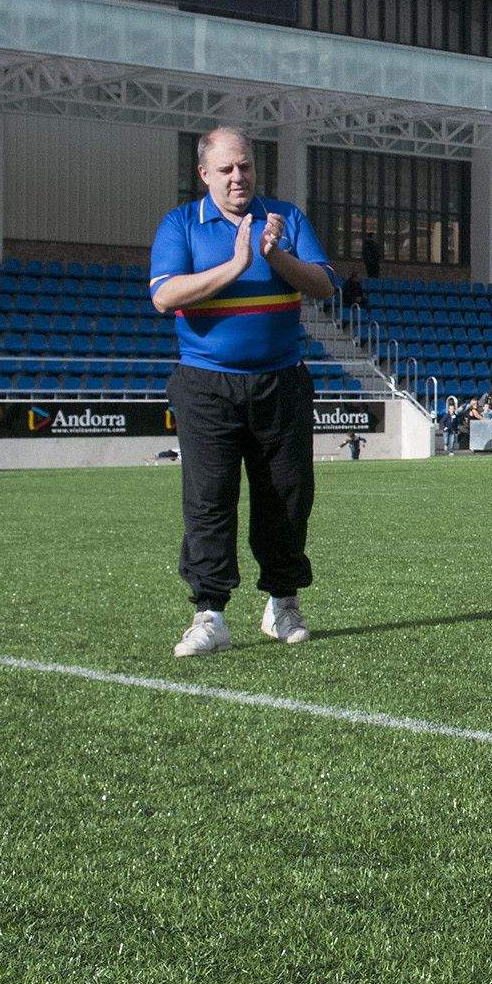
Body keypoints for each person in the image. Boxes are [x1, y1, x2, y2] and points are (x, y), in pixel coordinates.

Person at [148, 126, 336, 658]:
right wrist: (234, 265)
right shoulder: (181, 224)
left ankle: (282, 602)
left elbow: (324, 284)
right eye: (227, 169)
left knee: (287, 496)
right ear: (204, 173)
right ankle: (210, 613)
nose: (239, 177)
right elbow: (165, 296)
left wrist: (275, 257)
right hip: (206, 385)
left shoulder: (286, 218)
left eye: (246, 167)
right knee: (209, 501)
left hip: (282, 380)